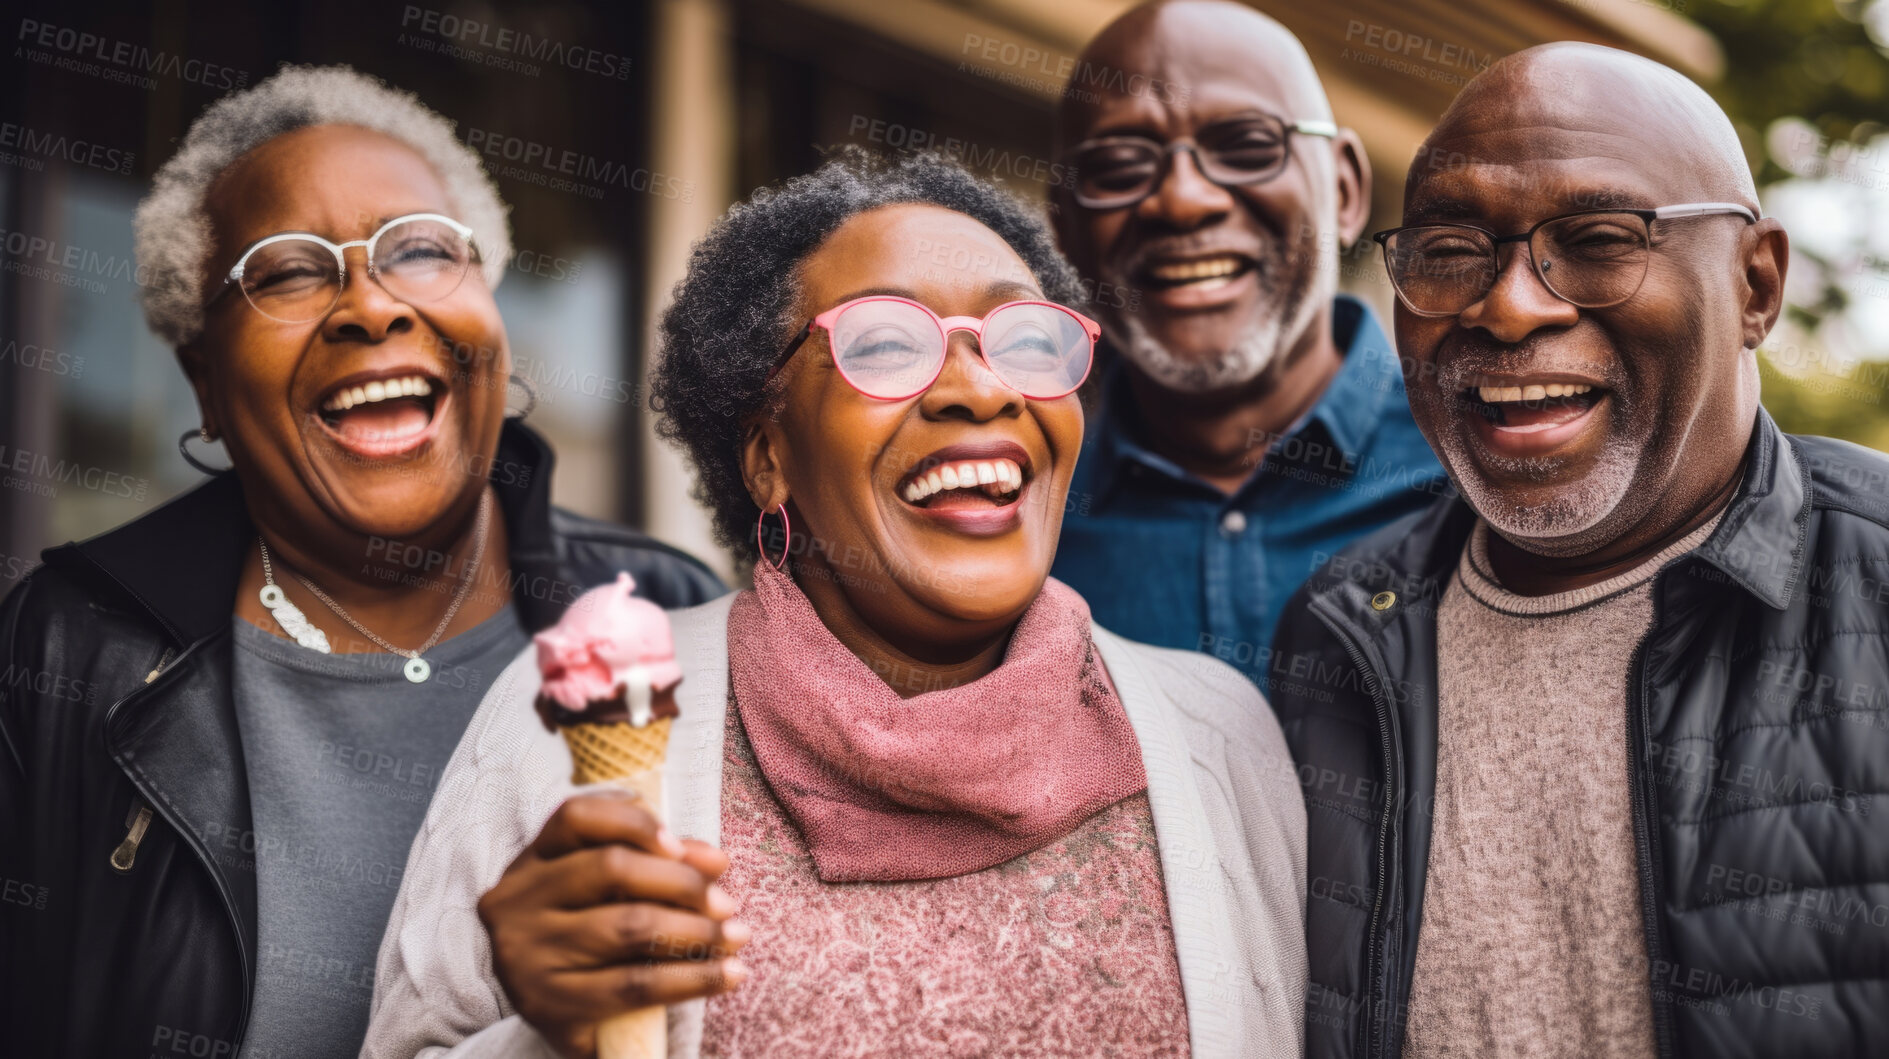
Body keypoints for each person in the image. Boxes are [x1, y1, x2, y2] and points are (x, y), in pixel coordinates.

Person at [362, 150, 1309, 1059]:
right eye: (886, 343)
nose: (980, 388)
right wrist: (544, 1034)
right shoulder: (568, 720)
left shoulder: (1217, 736)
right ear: (767, 454)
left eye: (1025, 341)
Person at [0, 66, 722, 1059]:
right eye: (289, 272)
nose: (369, 306)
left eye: (420, 250)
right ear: (203, 381)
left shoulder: (678, 614)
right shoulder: (65, 654)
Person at [1272, 42, 1889, 1058]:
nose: (1508, 306)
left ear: (1755, 286)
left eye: (1599, 239)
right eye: (1445, 251)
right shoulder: (1340, 632)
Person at [1048, 0, 1448, 687]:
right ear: (1065, 225)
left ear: (1346, 190)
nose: (1181, 201)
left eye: (1244, 146)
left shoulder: (1477, 475)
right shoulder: (1020, 506)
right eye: (1118, 166)